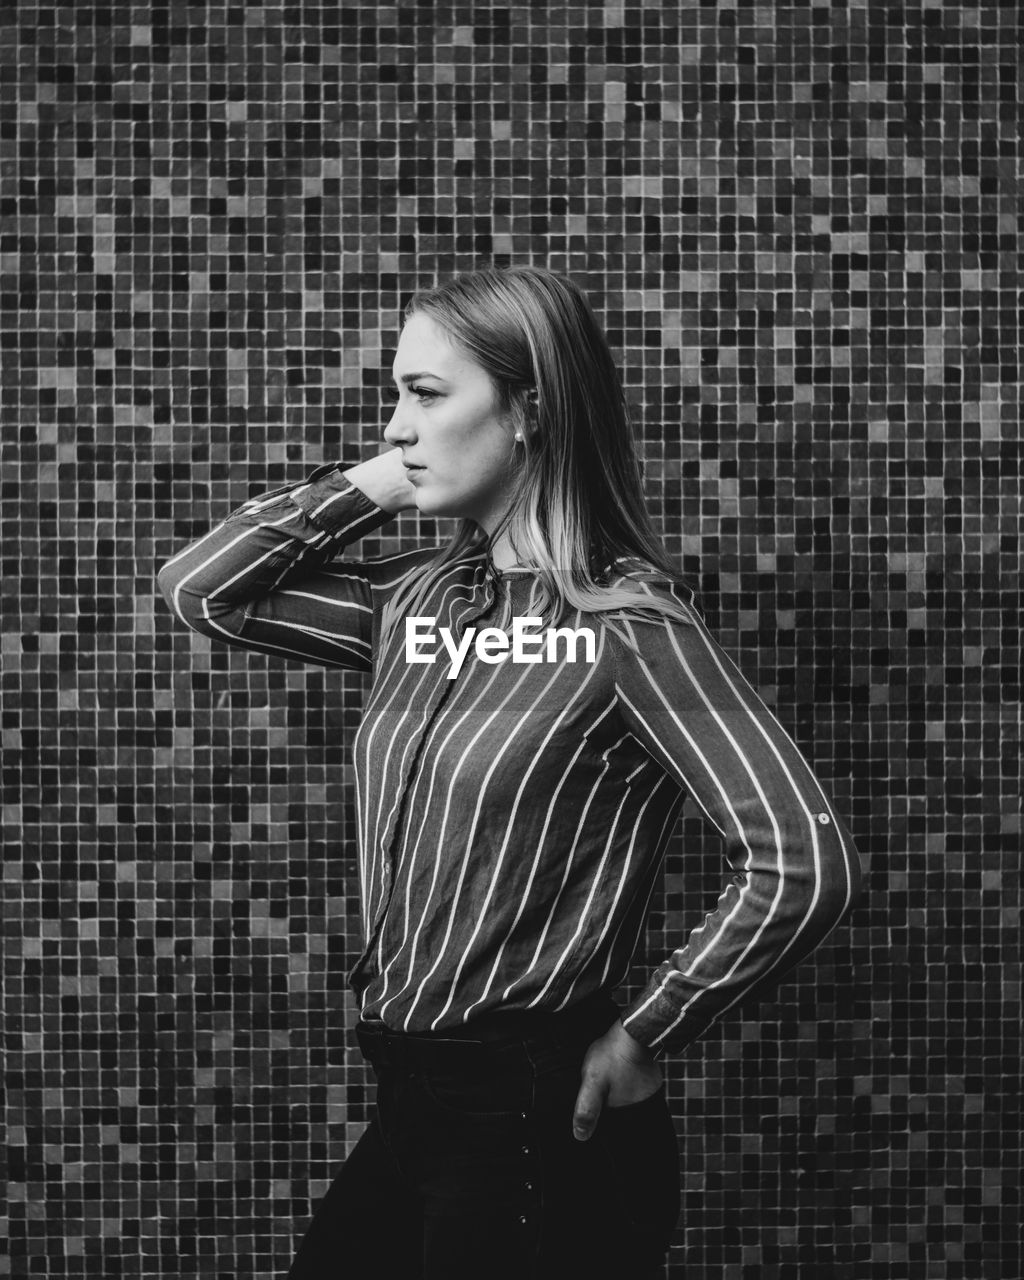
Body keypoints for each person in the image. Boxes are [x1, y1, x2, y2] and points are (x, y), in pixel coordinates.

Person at [157, 265, 862, 1279]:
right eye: (395, 394)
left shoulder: (625, 626)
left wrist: (646, 1033)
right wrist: (385, 477)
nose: (395, 422)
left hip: (529, 1110)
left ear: (529, 406)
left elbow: (801, 862)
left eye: (426, 395)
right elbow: (201, 591)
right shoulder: (417, 609)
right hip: (412, 1097)